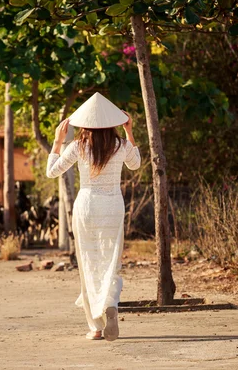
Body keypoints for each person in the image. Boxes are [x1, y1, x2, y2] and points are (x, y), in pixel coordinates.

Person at [46, 92, 141, 341]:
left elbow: (52, 172)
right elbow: (136, 164)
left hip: (86, 206)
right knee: (110, 261)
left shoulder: (78, 146)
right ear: (112, 123)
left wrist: (57, 142)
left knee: (89, 263)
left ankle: (96, 327)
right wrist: (129, 132)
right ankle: (110, 302)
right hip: (112, 206)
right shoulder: (120, 145)